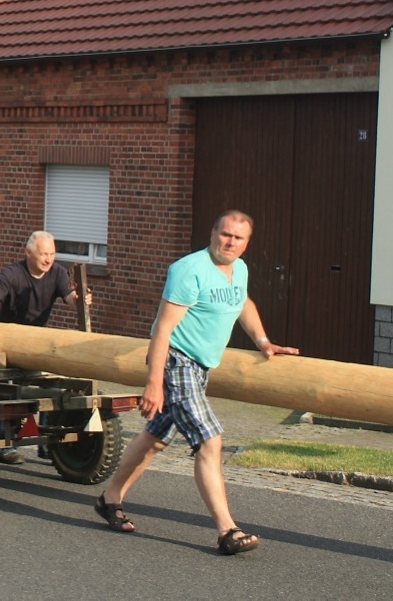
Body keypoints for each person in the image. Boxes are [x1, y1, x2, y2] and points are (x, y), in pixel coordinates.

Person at [93, 210, 299, 555]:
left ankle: (109, 499)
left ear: (246, 243)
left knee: (155, 439)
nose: (230, 242)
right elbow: (162, 329)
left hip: (200, 369)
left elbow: (243, 302)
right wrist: (154, 383)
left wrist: (264, 342)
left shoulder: (239, 270)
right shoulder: (189, 270)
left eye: (238, 238)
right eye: (225, 234)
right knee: (210, 440)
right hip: (177, 362)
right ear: (213, 232)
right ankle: (227, 530)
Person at [0, 230, 93, 464]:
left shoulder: (58, 273)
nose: (48, 259)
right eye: (43, 254)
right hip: (8, 340)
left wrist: (79, 300)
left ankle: (46, 443)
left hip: (35, 339)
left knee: (43, 387)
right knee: (6, 391)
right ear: (28, 253)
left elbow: (70, 298)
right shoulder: (13, 274)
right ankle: (4, 444)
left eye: (52, 254)